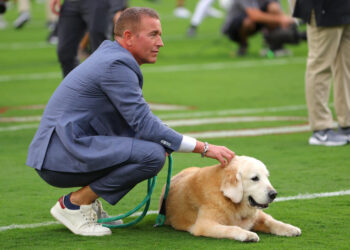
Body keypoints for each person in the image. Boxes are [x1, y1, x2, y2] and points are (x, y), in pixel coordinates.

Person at [26, 7, 235, 236]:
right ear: (128, 37)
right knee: (152, 155)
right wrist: (204, 148)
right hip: (58, 157)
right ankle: (75, 204)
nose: (161, 42)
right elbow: (144, 124)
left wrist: (164, 140)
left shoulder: (113, 56)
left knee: (154, 147)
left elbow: (137, 121)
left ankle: (88, 203)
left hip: (63, 148)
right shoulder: (117, 64)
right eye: (153, 34)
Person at [293, 0, 350, 146]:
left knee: (346, 66)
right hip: (322, 7)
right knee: (320, 66)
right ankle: (321, 128)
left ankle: (346, 124)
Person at [50, 0, 127, 77]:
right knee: (65, 52)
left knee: (100, 49)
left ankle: (106, 85)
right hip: (71, 2)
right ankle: (75, 87)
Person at [221, 0, 296, 56]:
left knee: (273, 7)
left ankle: (275, 45)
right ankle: (242, 45)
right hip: (234, 26)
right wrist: (281, 19)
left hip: (257, 22)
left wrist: (286, 21)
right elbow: (255, 16)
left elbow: (278, 11)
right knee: (248, 22)